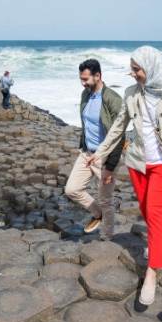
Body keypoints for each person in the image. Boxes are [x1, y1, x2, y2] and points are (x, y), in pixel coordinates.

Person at [86, 46, 162, 309]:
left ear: (151, 67)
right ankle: (153, 246)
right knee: (145, 209)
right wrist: (100, 152)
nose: (133, 74)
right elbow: (119, 127)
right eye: (132, 69)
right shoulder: (132, 94)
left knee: (154, 212)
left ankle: (152, 270)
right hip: (138, 164)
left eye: (137, 69)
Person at [64, 59, 124, 241]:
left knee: (106, 199)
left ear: (98, 76)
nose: (83, 83)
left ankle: (107, 238)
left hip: (104, 157)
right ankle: (98, 214)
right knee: (72, 189)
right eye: (81, 79)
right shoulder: (86, 94)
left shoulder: (113, 99)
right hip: (87, 153)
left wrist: (110, 166)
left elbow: (120, 135)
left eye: (86, 79)